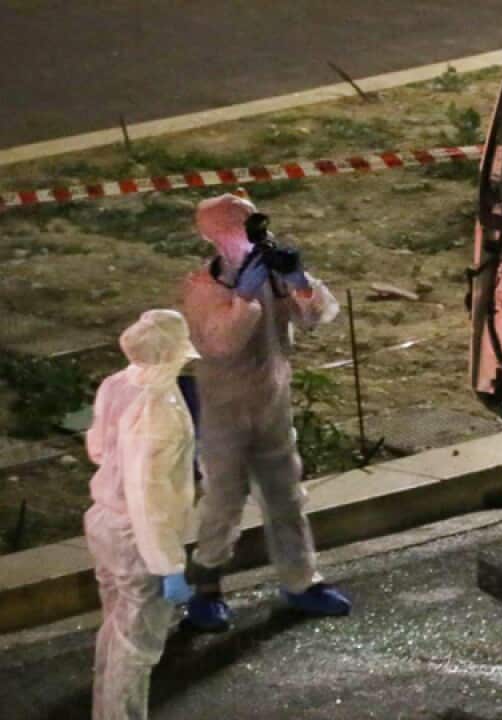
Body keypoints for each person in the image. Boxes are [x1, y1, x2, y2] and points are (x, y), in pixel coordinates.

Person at [182, 193, 349, 631]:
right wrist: (241, 299)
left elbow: (318, 314)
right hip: (224, 411)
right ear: (214, 237)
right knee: (223, 499)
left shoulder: (273, 279)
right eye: (238, 228)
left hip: (271, 405)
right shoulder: (203, 289)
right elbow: (220, 343)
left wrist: (298, 281)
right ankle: (206, 588)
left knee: (286, 497)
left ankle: (301, 580)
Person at [86, 310, 200, 720]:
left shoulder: (117, 384)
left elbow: (97, 448)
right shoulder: (160, 410)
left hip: (104, 521)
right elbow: (147, 497)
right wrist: (168, 563)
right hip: (138, 537)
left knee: (114, 633)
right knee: (137, 647)